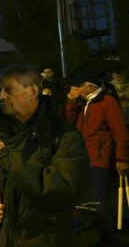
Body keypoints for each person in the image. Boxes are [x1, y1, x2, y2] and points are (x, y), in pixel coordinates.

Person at [0, 63, 89, 246]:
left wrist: (7, 158)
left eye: (9, 90)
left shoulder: (63, 136)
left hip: (39, 238)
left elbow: (64, 188)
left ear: (32, 92)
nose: (1, 96)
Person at [66, 72, 129, 245]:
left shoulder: (107, 102)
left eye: (79, 86)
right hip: (84, 158)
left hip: (100, 159)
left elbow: (120, 131)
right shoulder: (84, 103)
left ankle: (110, 236)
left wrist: (122, 158)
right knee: (86, 199)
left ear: (90, 87)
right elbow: (68, 123)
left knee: (100, 198)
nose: (76, 90)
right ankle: (96, 230)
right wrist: (71, 102)